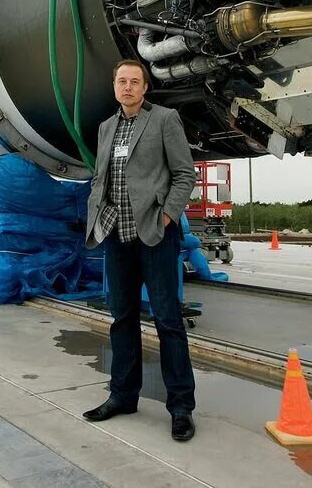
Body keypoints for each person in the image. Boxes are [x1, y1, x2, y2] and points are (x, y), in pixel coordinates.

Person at [82, 58, 198, 441]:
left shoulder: (165, 120)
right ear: (114, 87)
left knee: (168, 322)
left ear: (145, 87)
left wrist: (167, 216)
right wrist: (94, 217)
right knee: (122, 319)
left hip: (154, 235)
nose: (127, 87)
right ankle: (122, 395)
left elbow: (185, 173)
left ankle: (180, 407)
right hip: (117, 236)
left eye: (135, 81)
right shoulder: (105, 128)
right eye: (121, 81)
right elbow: (101, 177)